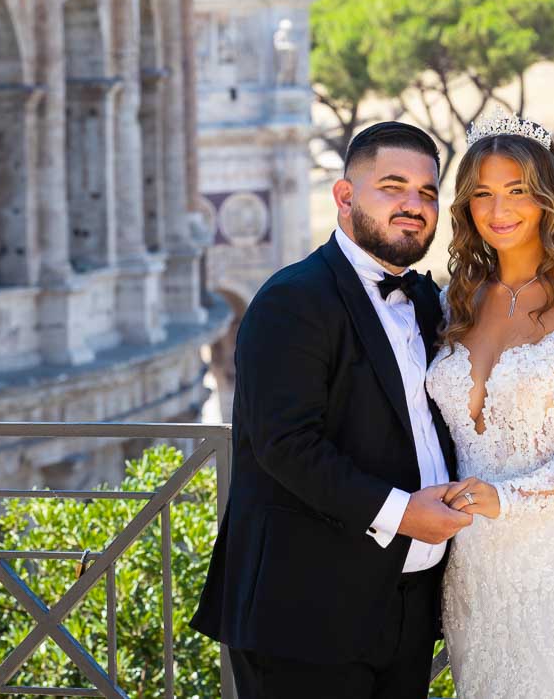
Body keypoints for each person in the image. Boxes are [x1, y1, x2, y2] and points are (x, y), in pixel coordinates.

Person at [192, 122, 467, 699]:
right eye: (392, 187)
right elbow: (284, 445)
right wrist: (401, 513)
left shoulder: (423, 299)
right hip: (304, 614)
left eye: (426, 192)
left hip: (406, 609)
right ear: (345, 197)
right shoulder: (291, 300)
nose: (413, 206)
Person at [425, 112, 554, 697]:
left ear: (549, 198)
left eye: (517, 191)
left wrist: (511, 499)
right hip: (473, 567)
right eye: (483, 194)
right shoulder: (454, 303)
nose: (499, 210)